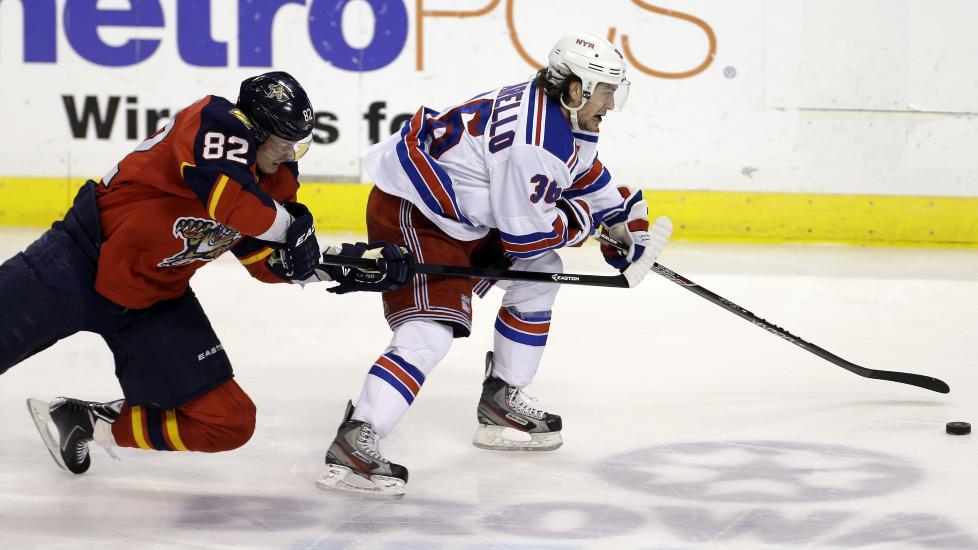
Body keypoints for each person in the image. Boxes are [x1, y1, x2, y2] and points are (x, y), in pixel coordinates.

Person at [1, 71, 413, 475]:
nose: (290, 154)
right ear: (254, 129)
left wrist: (341, 267)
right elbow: (231, 204)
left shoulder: (277, 180)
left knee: (227, 421)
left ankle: (84, 422)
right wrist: (291, 229)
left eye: (298, 144)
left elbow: (266, 265)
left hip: (154, 302)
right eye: (284, 141)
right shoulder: (215, 122)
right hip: (74, 264)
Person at [316, 32, 672, 497]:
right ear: (575, 89)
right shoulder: (536, 141)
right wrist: (588, 221)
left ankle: (502, 400)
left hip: (464, 214)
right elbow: (525, 237)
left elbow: (581, 168)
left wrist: (616, 220)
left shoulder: (556, 110)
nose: (611, 102)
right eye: (605, 90)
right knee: (430, 332)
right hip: (417, 211)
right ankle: (355, 440)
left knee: (542, 277)